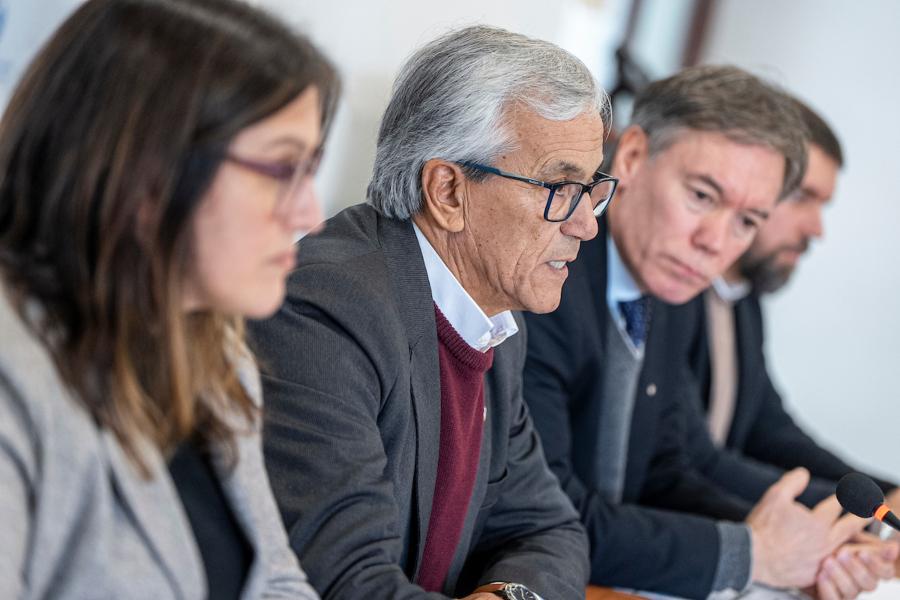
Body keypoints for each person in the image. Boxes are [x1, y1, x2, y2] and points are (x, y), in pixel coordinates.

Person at [248, 25, 609, 600]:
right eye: (559, 188)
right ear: (447, 192)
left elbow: (551, 528)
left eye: (591, 188)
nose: (586, 222)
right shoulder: (324, 312)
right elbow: (347, 585)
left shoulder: (495, 321)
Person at [0, 0, 338, 598]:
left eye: (310, 170)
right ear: (145, 171)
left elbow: (277, 580)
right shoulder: (15, 376)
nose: (309, 213)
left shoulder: (214, 350)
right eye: (281, 169)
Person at [522, 65, 887, 599]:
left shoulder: (667, 288)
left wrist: (810, 546)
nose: (714, 242)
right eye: (701, 196)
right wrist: (755, 553)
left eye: (747, 221)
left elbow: (667, 471)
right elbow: (547, 516)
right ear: (631, 158)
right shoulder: (548, 280)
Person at [688, 97, 900, 541]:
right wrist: (856, 518)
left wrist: (884, 496)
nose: (817, 228)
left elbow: (768, 430)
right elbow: (692, 460)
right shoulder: (674, 292)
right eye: (804, 198)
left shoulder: (742, 298)